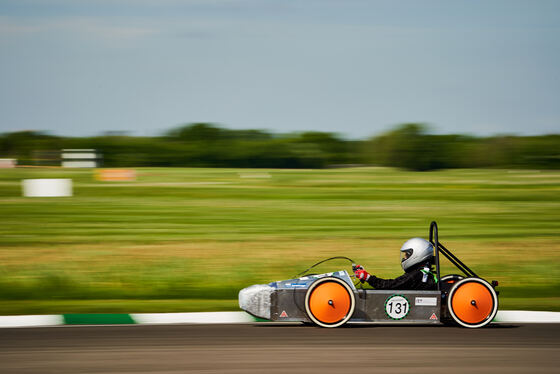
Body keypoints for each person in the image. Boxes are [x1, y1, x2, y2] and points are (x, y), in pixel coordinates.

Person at [353, 237, 437, 290]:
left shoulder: (416, 275)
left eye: (407, 255)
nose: (404, 258)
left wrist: (368, 278)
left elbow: (390, 286)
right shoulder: (420, 272)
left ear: (418, 254)